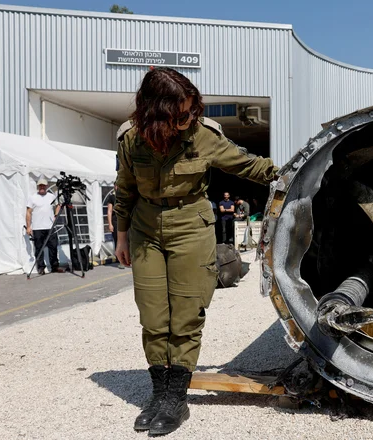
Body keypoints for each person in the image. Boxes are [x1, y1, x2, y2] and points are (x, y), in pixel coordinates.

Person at [114, 67, 278, 435]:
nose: (191, 118)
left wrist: (294, 170)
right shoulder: (131, 140)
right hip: (145, 230)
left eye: (193, 111)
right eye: (182, 114)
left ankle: (176, 399)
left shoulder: (203, 136)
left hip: (191, 225)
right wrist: (121, 236)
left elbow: (250, 165)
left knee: (187, 314)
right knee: (154, 317)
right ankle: (159, 394)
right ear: (156, 115)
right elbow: (124, 189)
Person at [26, 177, 63, 275]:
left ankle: (55, 266)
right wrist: (28, 227)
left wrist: (56, 215)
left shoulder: (51, 196)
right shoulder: (32, 197)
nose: (42, 187)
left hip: (50, 226)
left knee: (53, 247)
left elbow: (58, 205)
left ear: (46, 186)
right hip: (37, 227)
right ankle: (41, 268)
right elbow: (28, 212)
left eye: (44, 185)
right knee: (39, 248)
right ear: (38, 186)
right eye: (40, 185)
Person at [105, 185, 125, 269]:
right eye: (116, 186)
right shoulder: (112, 197)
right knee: (118, 240)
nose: (118, 187)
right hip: (116, 221)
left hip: (124, 220)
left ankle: (127, 258)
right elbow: (109, 211)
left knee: (126, 239)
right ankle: (120, 261)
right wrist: (110, 224)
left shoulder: (124, 196)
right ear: (114, 186)